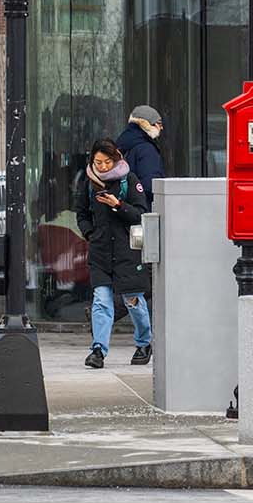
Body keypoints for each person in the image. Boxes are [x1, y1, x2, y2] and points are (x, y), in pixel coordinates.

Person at [77, 138, 152, 369]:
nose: (101, 167)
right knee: (101, 301)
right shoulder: (89, 182)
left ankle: (144, 342)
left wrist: (118, 204)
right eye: (97, 162)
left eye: (107, 162)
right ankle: (98, 350)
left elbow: (141, 213)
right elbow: (81, 213)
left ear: (116, 159)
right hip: (100, 252)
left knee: (133, 301)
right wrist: (90, 233)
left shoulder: (129, 180)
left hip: (127, 252)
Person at [113, 106, 165, 213]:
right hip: (143, 210)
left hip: (124, 209)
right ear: (147, 125)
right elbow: (150, 185)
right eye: (159, 123)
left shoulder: (122, 144)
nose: (162, 128)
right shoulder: (146, 149)